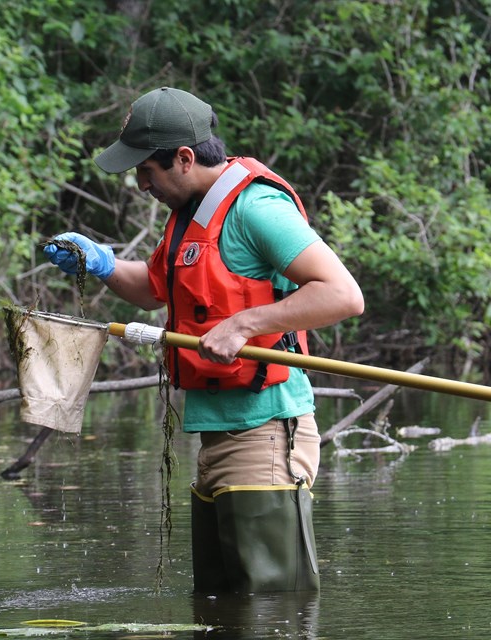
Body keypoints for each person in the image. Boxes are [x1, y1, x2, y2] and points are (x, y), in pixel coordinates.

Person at [44, 87, 364, 593]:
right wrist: (101, 262)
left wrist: (243, 325)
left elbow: (344, 294)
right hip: (217, 438)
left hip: (266, 432)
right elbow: (153, 291)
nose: (140, 184)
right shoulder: (190, 217)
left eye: (146, 170)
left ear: (185, 158)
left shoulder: (255, 208)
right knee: (221, 605)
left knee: (269, 607)